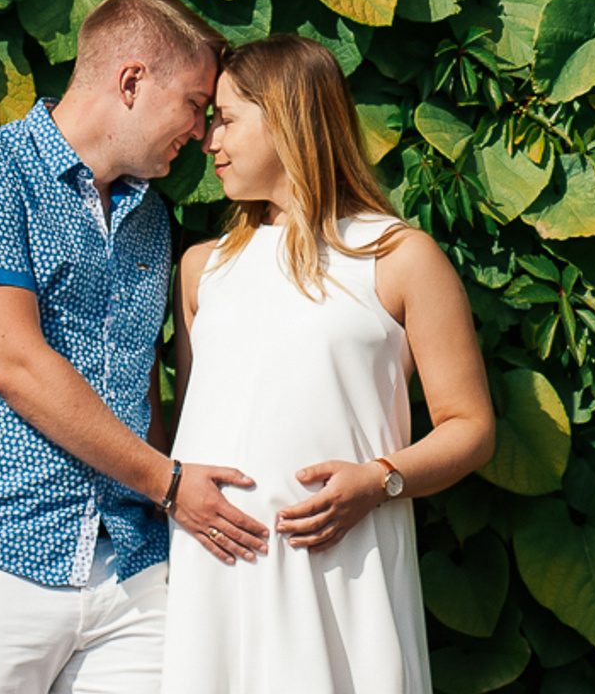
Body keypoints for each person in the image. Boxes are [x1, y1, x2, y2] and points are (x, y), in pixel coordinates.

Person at [0, 0, 271, 694]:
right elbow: (14, 363)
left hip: (131, 574)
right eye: (195, 103)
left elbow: (143, 389)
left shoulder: (151, 221)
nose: (201, 132)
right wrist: (169, 486)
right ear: (132, 80)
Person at [162, 34, 496, 694]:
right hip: (216, 577)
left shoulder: (398, 255)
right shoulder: (203, 269)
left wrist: (380, 480)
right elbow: (190, 430)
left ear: (286, 116)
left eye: (226, 117)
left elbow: (471, 427)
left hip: (342, 568)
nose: (209, 141)